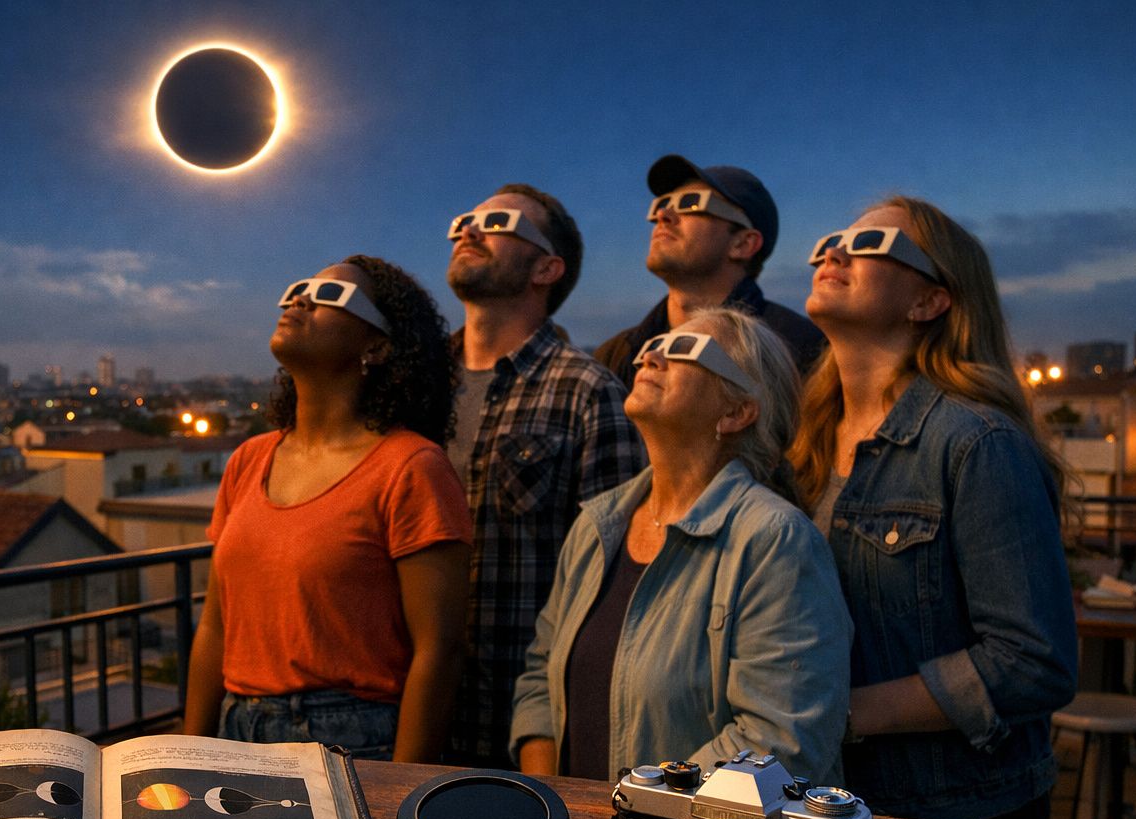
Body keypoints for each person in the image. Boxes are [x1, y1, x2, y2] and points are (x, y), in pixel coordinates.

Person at [789, 197, 1077, 819]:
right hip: (835, 809)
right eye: (831, 241)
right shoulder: (804, 450)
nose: (835, 253)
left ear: (931, 299)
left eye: (870, 244)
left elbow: (1034, 660)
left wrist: (839, 713)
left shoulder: (975, 443)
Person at [510, 307, 850, 783]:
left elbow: (777, 743)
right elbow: (539, 681)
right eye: (656, 345)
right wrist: (555, 802)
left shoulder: (775, 543)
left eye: (684, 349)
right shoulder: (597, 525)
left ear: (736, 412)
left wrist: (630, 814)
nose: (651, 355)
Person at [183, 256, 472, 763]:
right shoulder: (250, 460)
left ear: (377, 346)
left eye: (330, 296)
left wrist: (402, 797)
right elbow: (215, 626)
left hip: (351, 742)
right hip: (236, 732)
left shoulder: (411, 467)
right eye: (299, 288)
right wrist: (187, 756)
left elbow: (439, 652)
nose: (300, 300)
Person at [441, 183, 646, 767]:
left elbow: (612, 586)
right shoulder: (418, 387)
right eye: (465, 220)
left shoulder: (589, 393)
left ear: (547, 268)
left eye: (499, 222)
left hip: (517, 726)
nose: (470, 231)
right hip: (405, 709)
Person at [594, 155, 825, 389]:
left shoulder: (802, 350)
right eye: (661, 205)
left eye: (691, 203)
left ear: (743, 244)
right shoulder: (614, 357)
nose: (663, 216)